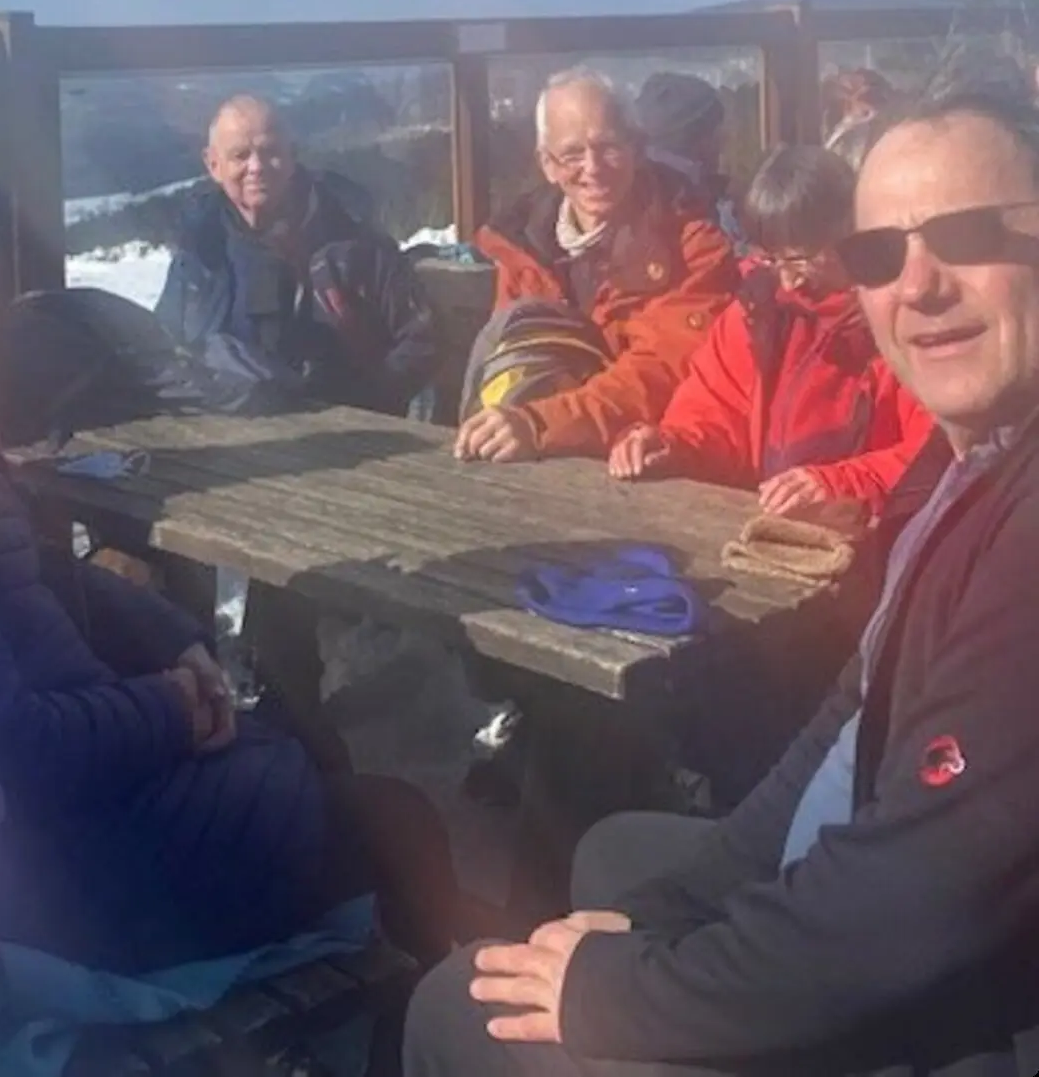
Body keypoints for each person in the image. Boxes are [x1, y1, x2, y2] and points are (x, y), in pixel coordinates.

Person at [404, 90, 1039, 1077]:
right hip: (898, 892)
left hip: (971, 1006)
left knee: (460, 1007)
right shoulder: (966, 464)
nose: (919, 283)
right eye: (880, 253)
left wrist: (629, 987)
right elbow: (848, 715)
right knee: (617, 853)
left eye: (965, 236)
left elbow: (920, 900)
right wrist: (669, 919)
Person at [0, 149, 454, 1050]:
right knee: (396, 828)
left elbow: (46, 573)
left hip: (80, 829)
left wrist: (175, 637)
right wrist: (168, 707)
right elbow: (1, 744)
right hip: (66, 888)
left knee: (334, 778)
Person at [609, 145, 933, 518]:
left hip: (880, 543)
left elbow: (938, 455)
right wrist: (672, 445)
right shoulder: (756, 314)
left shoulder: (900, 316)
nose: (788, 280)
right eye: (772, 259)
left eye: (799, 259)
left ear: (848, 233)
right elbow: (715, 415)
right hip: (774, 534)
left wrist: (839, 484)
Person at [455, 68, 737, 463]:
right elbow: (513, 358)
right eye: (572, 153)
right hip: (538, 461)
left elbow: (662, 373)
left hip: (654, 465)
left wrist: (540, 423)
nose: (593, 167)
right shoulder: (522, 246)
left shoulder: (693, 246)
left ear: (637, 148)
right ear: (547, 164)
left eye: (608, 146)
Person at [156, 94, 439, 418]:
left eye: (270, 152)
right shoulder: (199, 249)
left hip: (348, 438)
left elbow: (423, 341)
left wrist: (359, 407)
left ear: (292, 156)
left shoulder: (351, 240)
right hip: (225, 433)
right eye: (240, 155)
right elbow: (167, 344)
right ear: (213, 165)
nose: (256, 167)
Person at [633, 71, 743, 246]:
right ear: (700, 136)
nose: (724, 140)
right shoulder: (688, 196)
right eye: (717, 130)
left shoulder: (627, 186)